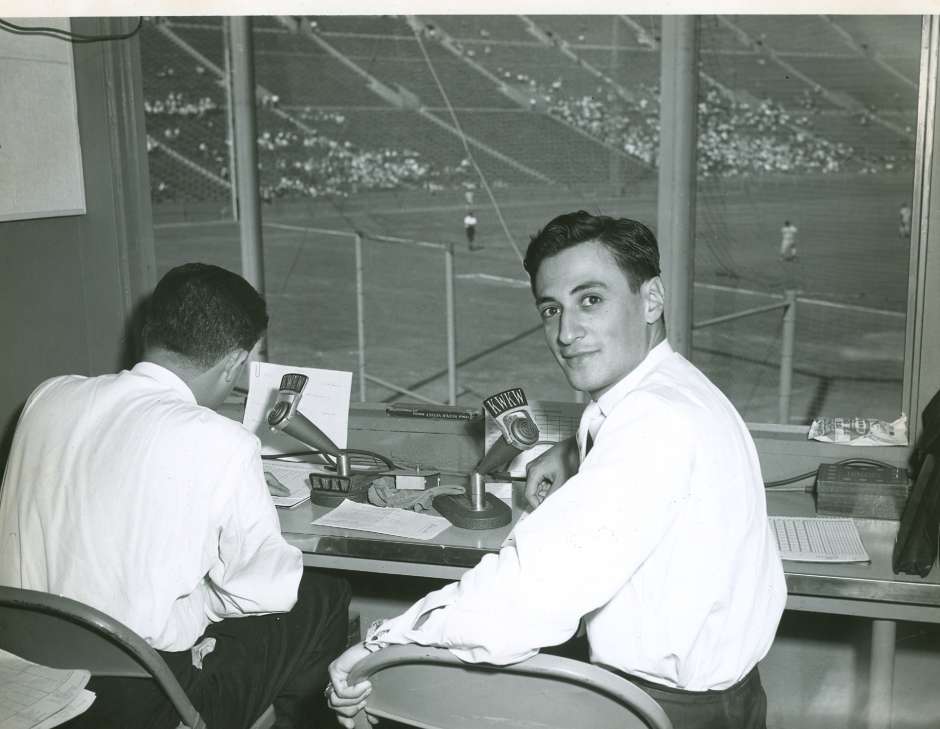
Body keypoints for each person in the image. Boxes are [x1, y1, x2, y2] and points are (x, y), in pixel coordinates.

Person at [327, 212, 787, 729]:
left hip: (668, 710)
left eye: (591, 299)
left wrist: (382, 645)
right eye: (552, 309)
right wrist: (575, 451)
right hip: (728, 697)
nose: (566, 332)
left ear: (652, 299)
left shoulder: (653, 422)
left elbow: (529, 595)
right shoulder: (674, 391)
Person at [0, 263, 350, 729]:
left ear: (150, 331)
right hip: (142, 701)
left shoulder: (47, 397)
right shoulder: (224, 441)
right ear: (234, 363)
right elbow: (265, 593)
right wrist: (197, 608)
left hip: (24, 677)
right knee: (321, 595)